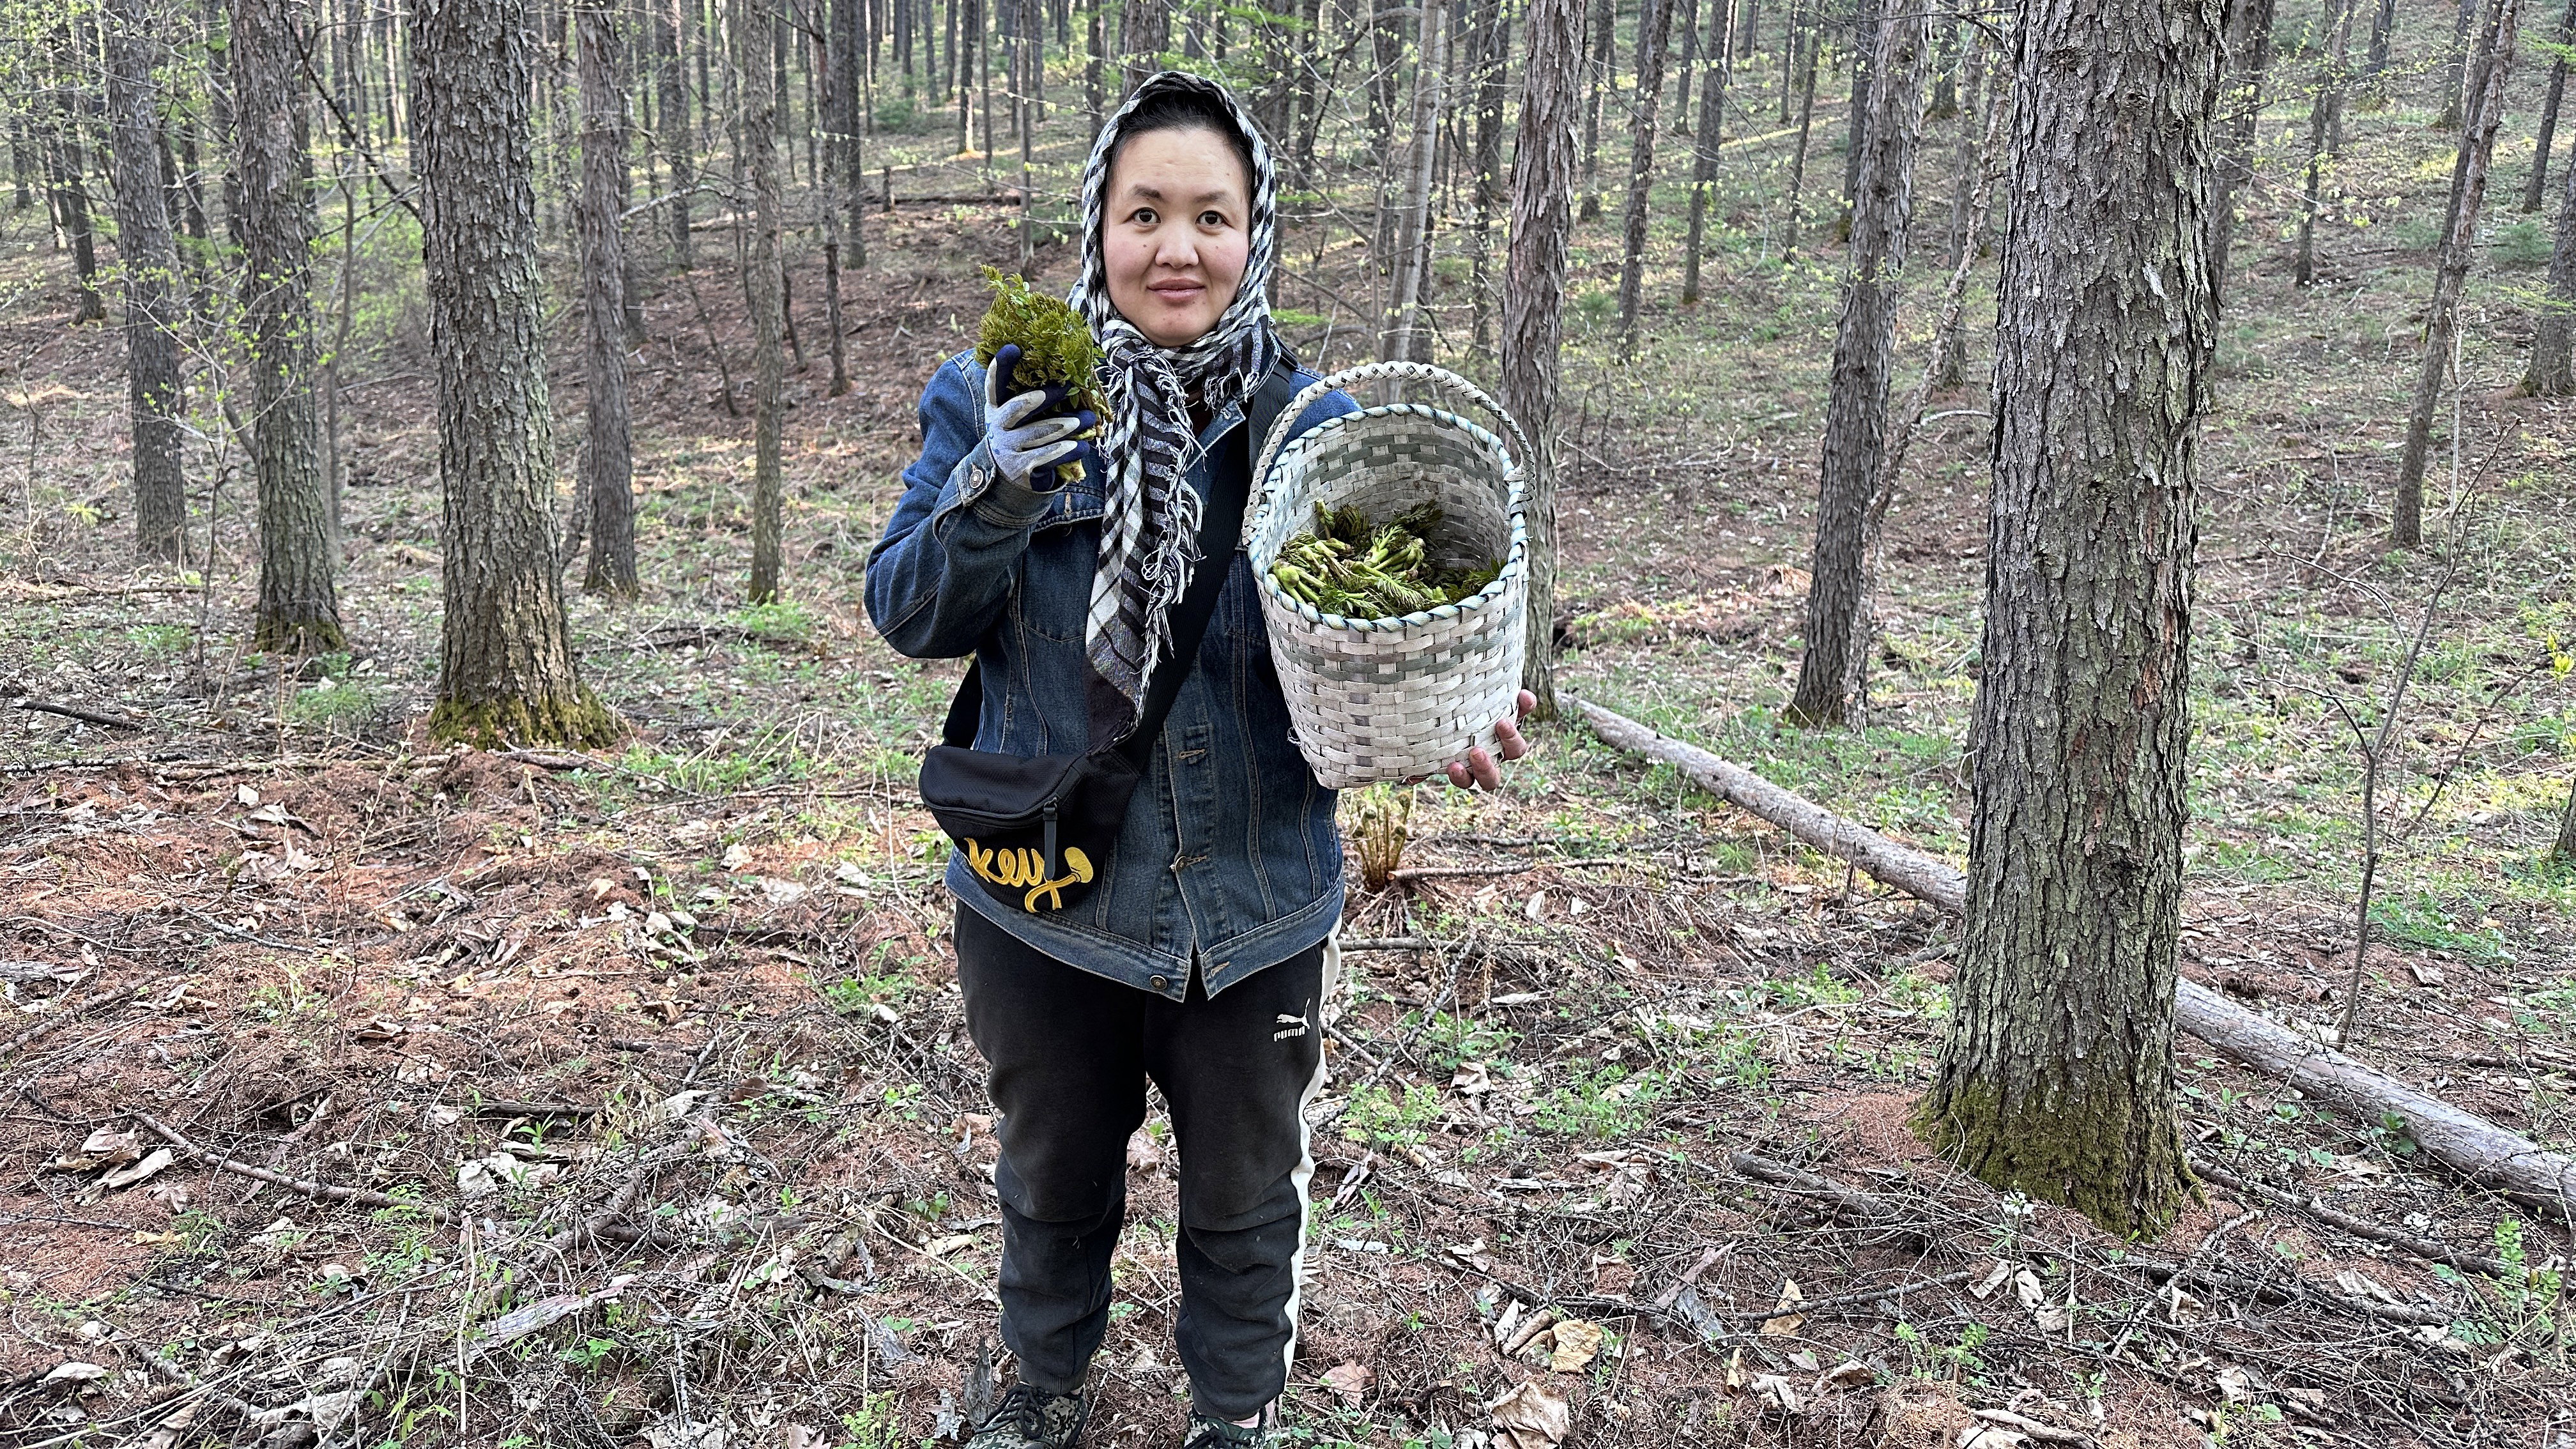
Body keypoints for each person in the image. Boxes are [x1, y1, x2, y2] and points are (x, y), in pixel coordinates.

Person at [865, 71, 1533, 1449]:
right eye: (1145, 213)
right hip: (1045, 895)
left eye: (1212, 217)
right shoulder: (995, 398)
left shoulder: (1317, 430)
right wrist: (992, 486)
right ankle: (1045, 1388)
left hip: (1254, 902)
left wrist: (1454, 711)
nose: (1179, 248)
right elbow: (910, 613)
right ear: (1098, 226)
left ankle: (1235, 1417)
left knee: (1246, 1190)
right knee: (1053, 1176)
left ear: (1256, 232)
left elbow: (1387, 634)